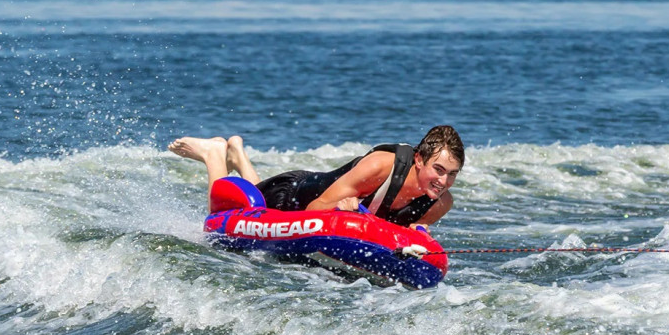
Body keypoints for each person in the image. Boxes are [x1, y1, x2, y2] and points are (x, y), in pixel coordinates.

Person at [168, 125, 464, 229]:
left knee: (253, 193)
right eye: (438, 170)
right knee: (226, 212)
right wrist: (340, 211)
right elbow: (314, 209)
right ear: (418, 160)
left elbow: (409, 229)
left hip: (303, 203)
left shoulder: (440, 202)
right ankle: (215, 155)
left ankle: (238, 156)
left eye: (452, 175)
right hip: (292, 195)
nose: (443, 181)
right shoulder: (380, 168)